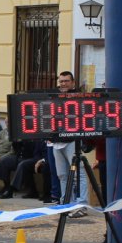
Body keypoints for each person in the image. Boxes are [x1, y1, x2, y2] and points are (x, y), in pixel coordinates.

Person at [51, 72, 88, 217]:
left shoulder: (78, 97)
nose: (63, 84)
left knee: (79, 174)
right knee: (62, 175)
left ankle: (82, 205)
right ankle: (66, 204)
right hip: (57, 142)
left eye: (66, 81)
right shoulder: (54, 97)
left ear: (73, 82)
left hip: (72, 141)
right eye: (61, 81)